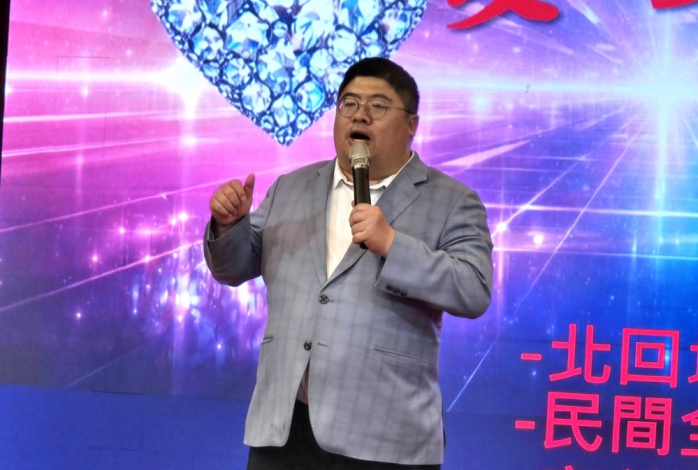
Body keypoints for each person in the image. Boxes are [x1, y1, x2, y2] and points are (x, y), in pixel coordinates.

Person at [204, 57, 493, 470]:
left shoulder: (452, 200)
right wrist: (228, 225)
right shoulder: (292, 187)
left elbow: (474, 289)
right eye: (349, 103)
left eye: (378, 106)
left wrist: (392, 245)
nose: (360, 115)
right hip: (285, 429)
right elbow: (232, 268)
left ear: (411, 124)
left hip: (385, 439)